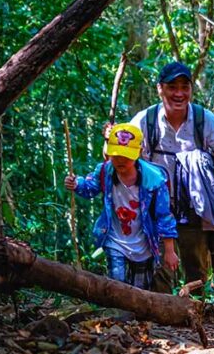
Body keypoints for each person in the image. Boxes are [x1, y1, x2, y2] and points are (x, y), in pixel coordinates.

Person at [129, 61, 214, 291]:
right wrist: (109, 140)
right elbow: (118, 157)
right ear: (160, 89)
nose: (179, 93)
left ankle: (195, 322)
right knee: (159, 272)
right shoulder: (145, 121)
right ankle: (159, 323)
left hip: (194, 211)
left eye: (185, 86)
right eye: (172, 87)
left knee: (196, 275)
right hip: (156, 211)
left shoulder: (205, 121)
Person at [66, 123, 179, 290]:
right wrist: (76, 183)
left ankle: (134, 316)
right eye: (116, 154)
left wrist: (169, 250)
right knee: (117, 283)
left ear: (138, 153)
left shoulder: (155, 180)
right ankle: (119, 316)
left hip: (144, 242)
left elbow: (164, 216)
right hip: (115, 239)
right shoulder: (105, 171)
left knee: (139, 289)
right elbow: (89, 188)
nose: (120, 160)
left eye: (126, 156)